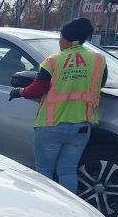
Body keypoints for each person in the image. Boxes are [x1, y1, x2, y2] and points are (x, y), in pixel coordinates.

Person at [9, 17, 107, 193]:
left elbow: (38, 89)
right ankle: (69, 211)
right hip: (81, 126)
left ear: (68, 39)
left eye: (61, 39)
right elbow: (101, 84)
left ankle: (48, 211)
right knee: (68, 171)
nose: (60, 43)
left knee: (44, 172)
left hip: (50, 125)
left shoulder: (53, 60)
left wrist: (19, 92)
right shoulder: (99, 61)